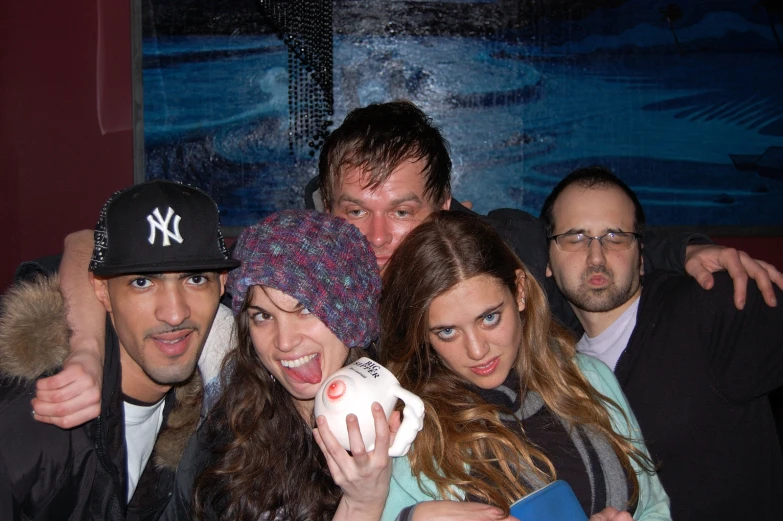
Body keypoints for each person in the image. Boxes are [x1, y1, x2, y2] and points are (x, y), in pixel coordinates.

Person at [34, 100, 782, 428]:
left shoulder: (499, 248)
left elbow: (593, 240)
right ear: (324, 208)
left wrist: (678, 249)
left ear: (448, 208)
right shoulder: (286, 263)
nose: (378, 238)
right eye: (354, 211)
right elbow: (81, 245)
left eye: (404, 209)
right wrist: (81, 351)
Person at [378, 211, 670, 521]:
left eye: (489, 318)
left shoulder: (587, 377)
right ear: (422, 331)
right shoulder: (409, 427)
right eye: (447, 331)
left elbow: (655, 509)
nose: (477, 351)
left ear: (519, 291)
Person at [541, 166, 783, 521]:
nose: (596, 256)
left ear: (642, 256)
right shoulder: (553, 368)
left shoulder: (705, 309)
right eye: (575, 238)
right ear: (548, 260)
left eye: (615, 236)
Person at [0, 180, 239, 520]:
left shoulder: (212, 403)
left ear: (221, 286)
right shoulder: (29, 421)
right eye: (142, 282)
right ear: (101, 291)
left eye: (195, 279)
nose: (174, 313)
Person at [162, 210, 394, 521]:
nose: (284, 342)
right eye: (262, 316)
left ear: (352, 316)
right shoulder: (225, 438)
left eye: (305, 309)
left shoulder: (404, 429)